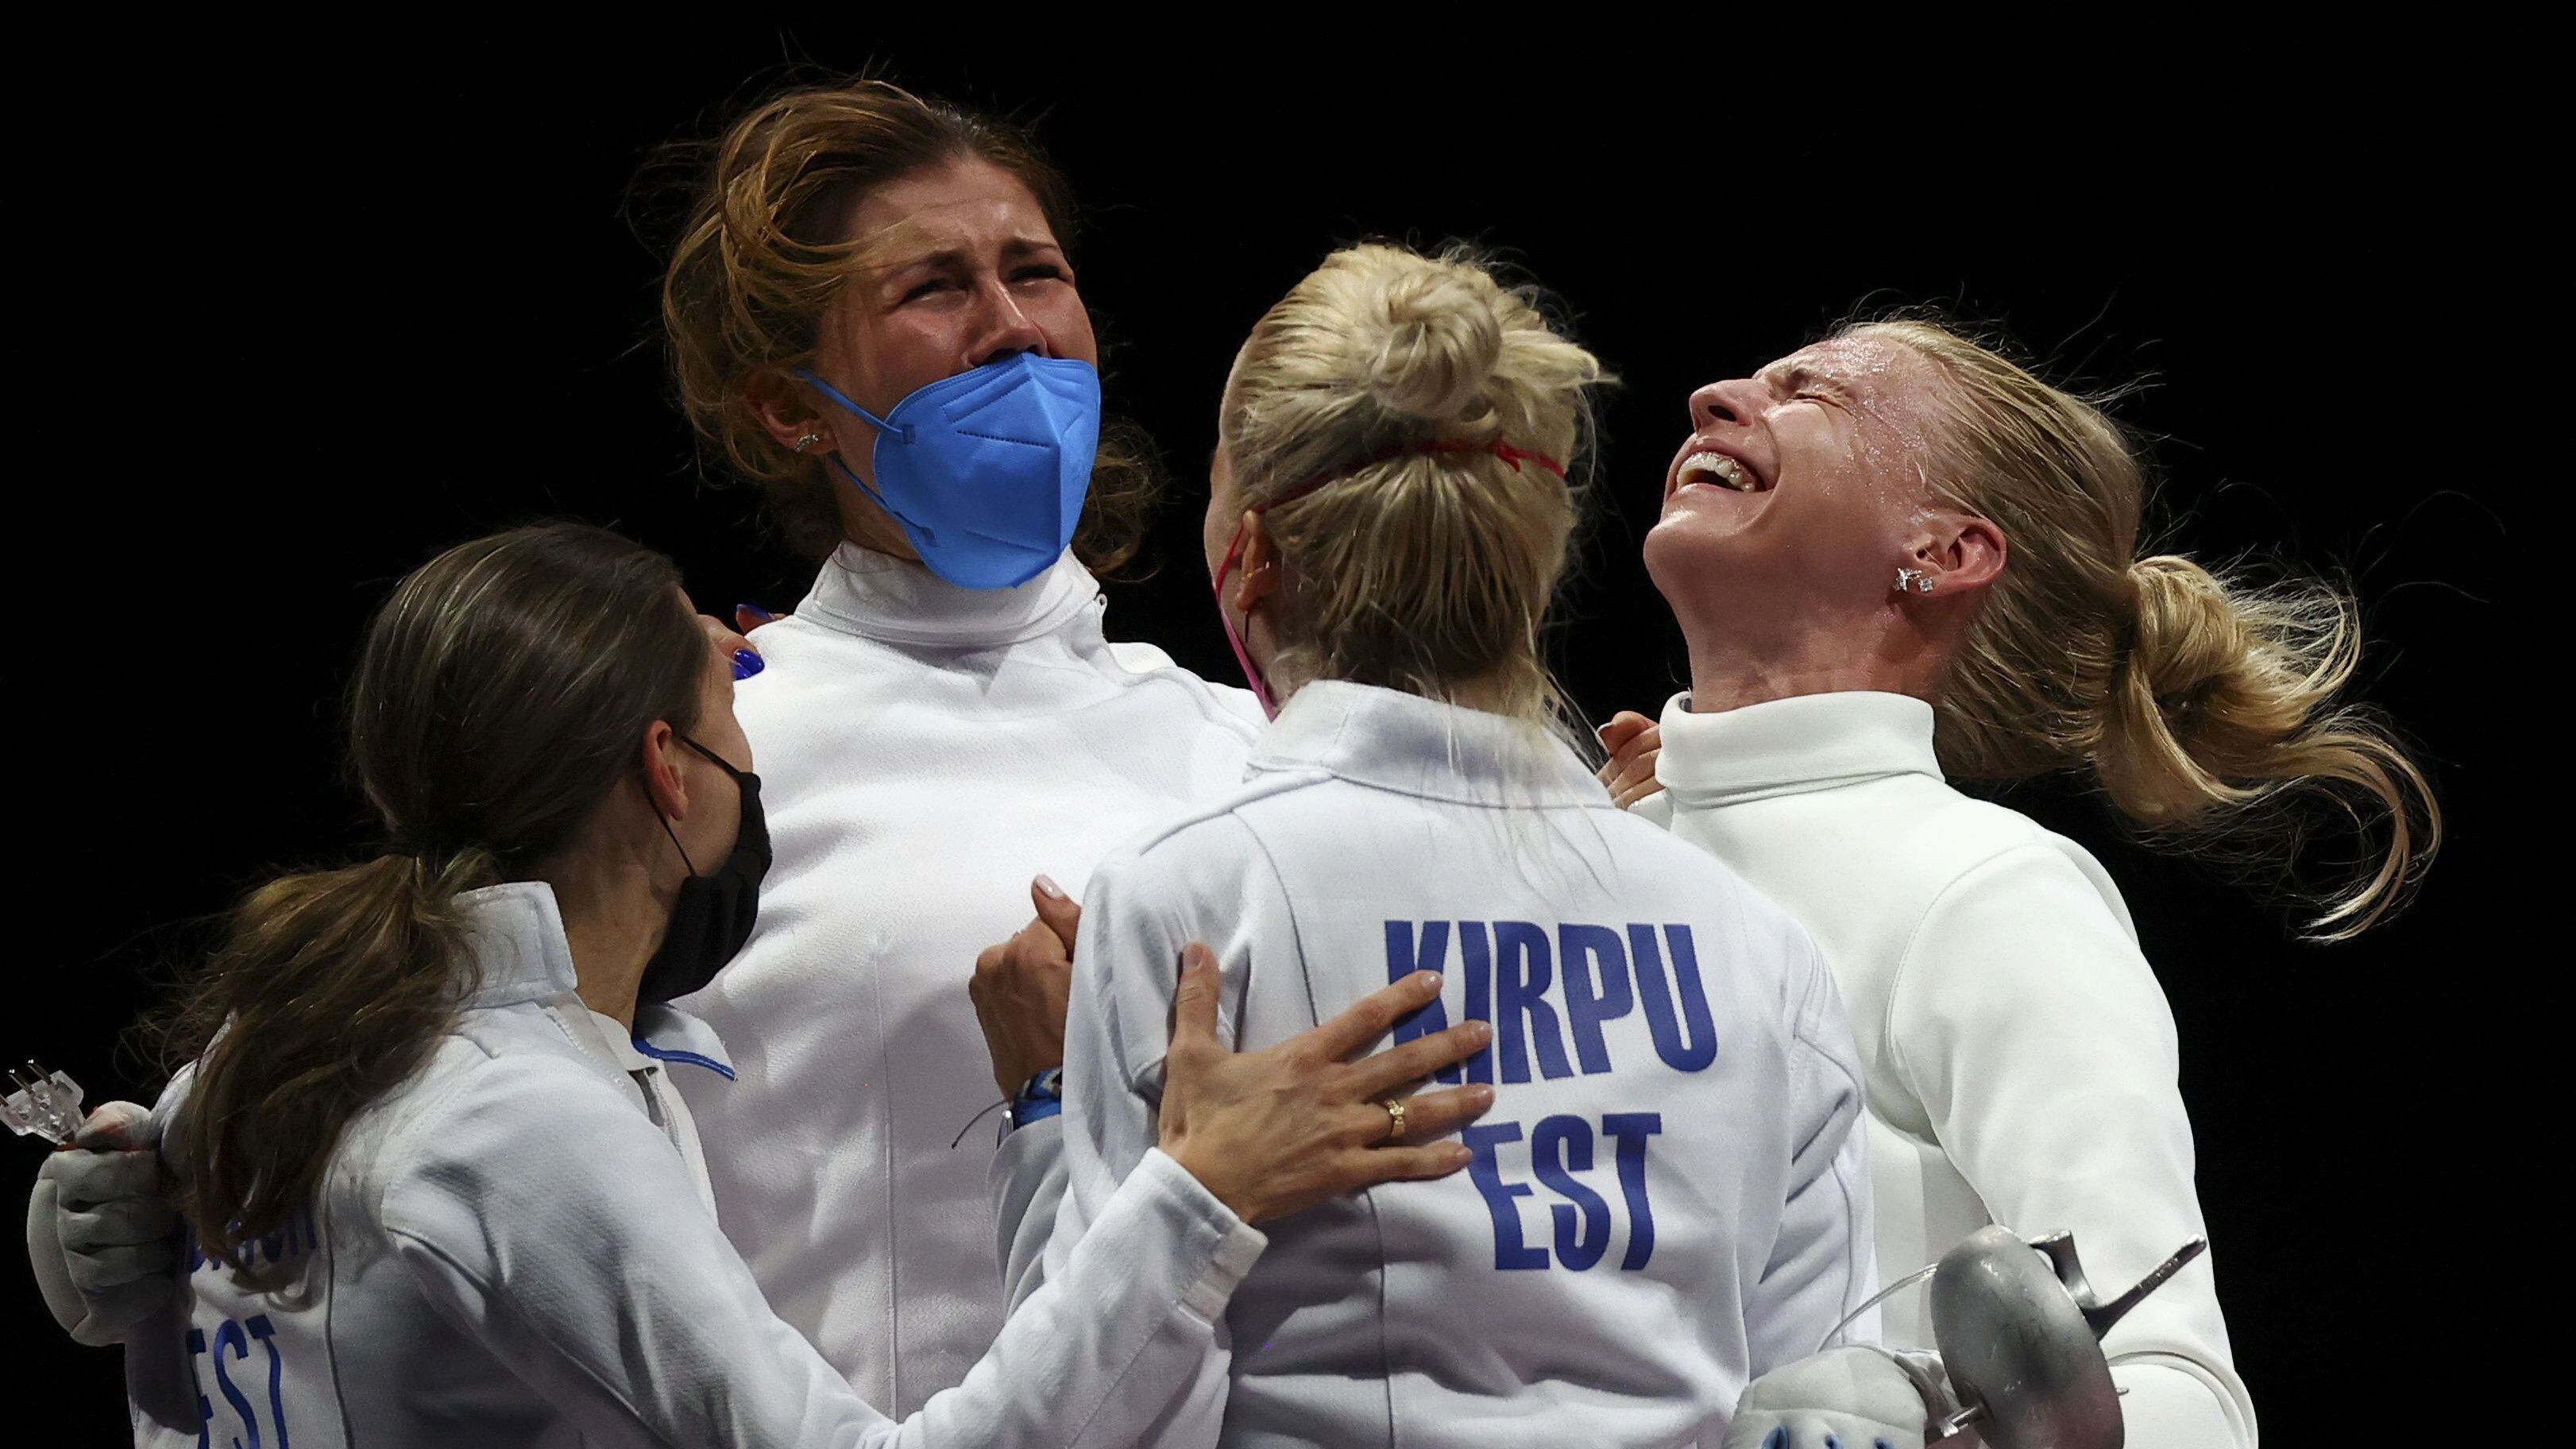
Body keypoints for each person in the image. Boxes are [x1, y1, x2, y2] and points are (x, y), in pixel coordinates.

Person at [36, 522, 1495, 1447]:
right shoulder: (520, 1128)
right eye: (731, 713)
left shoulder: (274, 1047)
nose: (754, 754)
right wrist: (1192, 1188)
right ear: (667, 777)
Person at [1047, 244, 1877, 1447]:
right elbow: (1824, 1411)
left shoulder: (1190, 904)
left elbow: (1110, 1419)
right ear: (1536, 549)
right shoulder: (1758, 944)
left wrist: (1035, 1123)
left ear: (1255, 548)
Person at [1601, 319, 2441, 1447]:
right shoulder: (1597, 843)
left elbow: (2182, 1394)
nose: (1715, 398)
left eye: (1819, 395)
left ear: (1944, 554)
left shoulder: (1985, 894)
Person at [651, 78, 1278, 1410]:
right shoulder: (705, 758)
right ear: (789, 407)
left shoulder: (1243, 740)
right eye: (936, 290)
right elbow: (457, 1053)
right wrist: (160, 1166)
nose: (1013, 330)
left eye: (1036, 274)